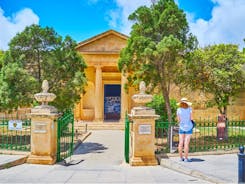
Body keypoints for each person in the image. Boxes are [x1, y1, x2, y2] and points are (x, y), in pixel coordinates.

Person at [177, 97, 194, 162]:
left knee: (181, 143)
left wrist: (181, 123)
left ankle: (181, 158)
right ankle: (186, 158)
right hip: (189, 127)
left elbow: (179, 120)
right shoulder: (190, 109)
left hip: (181, 127)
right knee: (186, 143)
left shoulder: (178, 109)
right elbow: (191, 118)